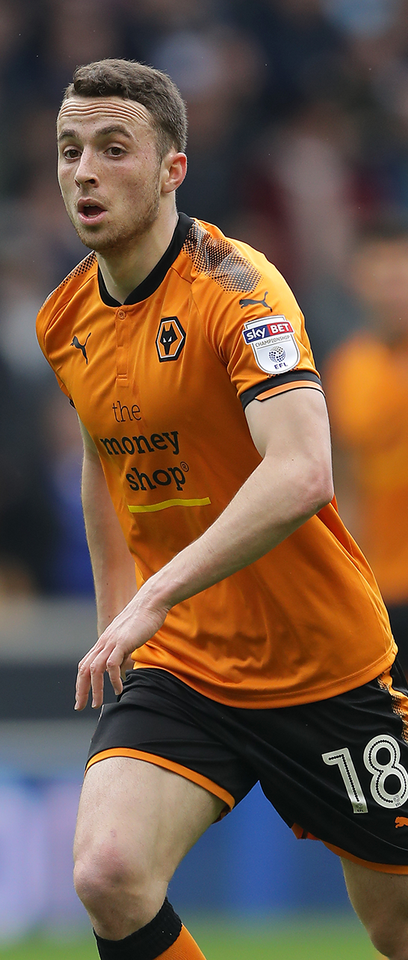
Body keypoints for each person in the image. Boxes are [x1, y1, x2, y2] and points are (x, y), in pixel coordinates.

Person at [39, 59, 408, 960]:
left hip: (322, 664)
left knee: (396, 930)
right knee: (108, 873)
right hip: (188, 667)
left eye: (114, 149)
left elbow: (303, 472)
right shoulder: (63, 318)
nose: (85, 170)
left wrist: (154, 592)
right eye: (70, 149)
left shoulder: (237, 289)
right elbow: (102, 456)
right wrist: (116, 615)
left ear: (173, 169)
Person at [326, 229, 408, 670]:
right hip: (378, 589)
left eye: (401, 272)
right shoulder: (347, 369)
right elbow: (345, 482)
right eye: (381, 273)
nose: (393, 287)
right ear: (359, 279)